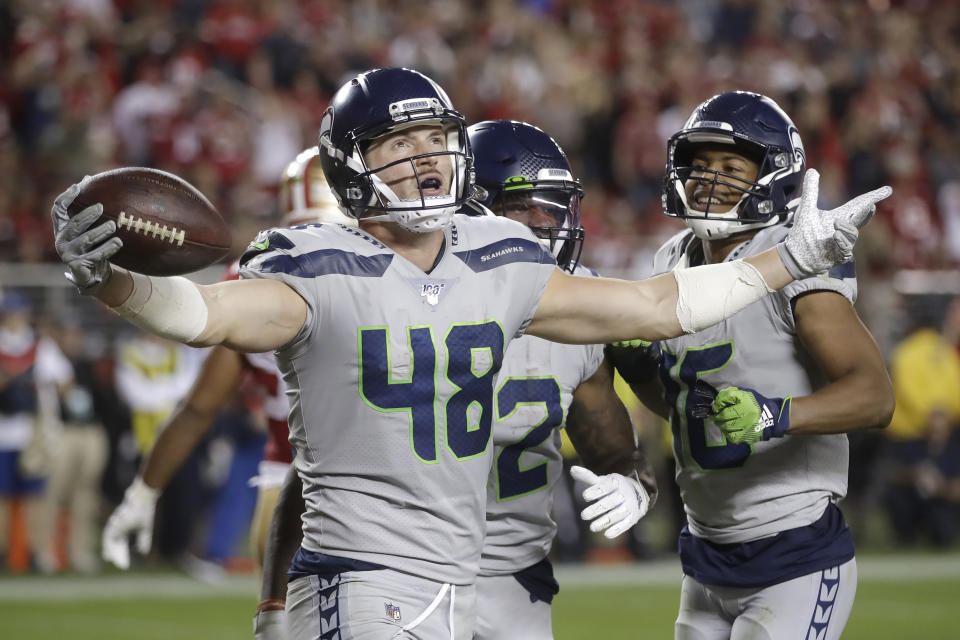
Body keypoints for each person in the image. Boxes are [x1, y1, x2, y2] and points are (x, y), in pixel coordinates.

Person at [51, 69, 888, 640]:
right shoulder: (314, 263)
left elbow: (656, 306)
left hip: (469, 583)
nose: (426, 163)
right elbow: (203, 313)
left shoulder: (501, 264)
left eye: (435, 143)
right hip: (362, 575)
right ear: (350, 166)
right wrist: (116, 286)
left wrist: (792, 258)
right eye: (397, 148)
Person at [256, 119, 660, 640]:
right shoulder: (398, 298)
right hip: (400, 568)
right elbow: (318, 473)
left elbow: (617, 453)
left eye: (554, 205)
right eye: (523, 206)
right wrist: (272, 601)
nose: (546, 222)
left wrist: (635, 488)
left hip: (515, 581)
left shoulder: (581, 313)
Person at [612, 91, 895, 640]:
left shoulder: (795, 257)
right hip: (705, 553)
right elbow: (684, 404)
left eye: (730, 167)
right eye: (699, 165)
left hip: (793, 550)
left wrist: (775, 415)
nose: (707, 179)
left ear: (773, 175)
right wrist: (639, 367)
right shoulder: (672, 257)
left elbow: (875, 396)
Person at [100, 146, 354, 572]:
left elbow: (198, 408)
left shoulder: (253, 274)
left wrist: (143, 492)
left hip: (294, 491)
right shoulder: (386, 270)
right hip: (349, 484)